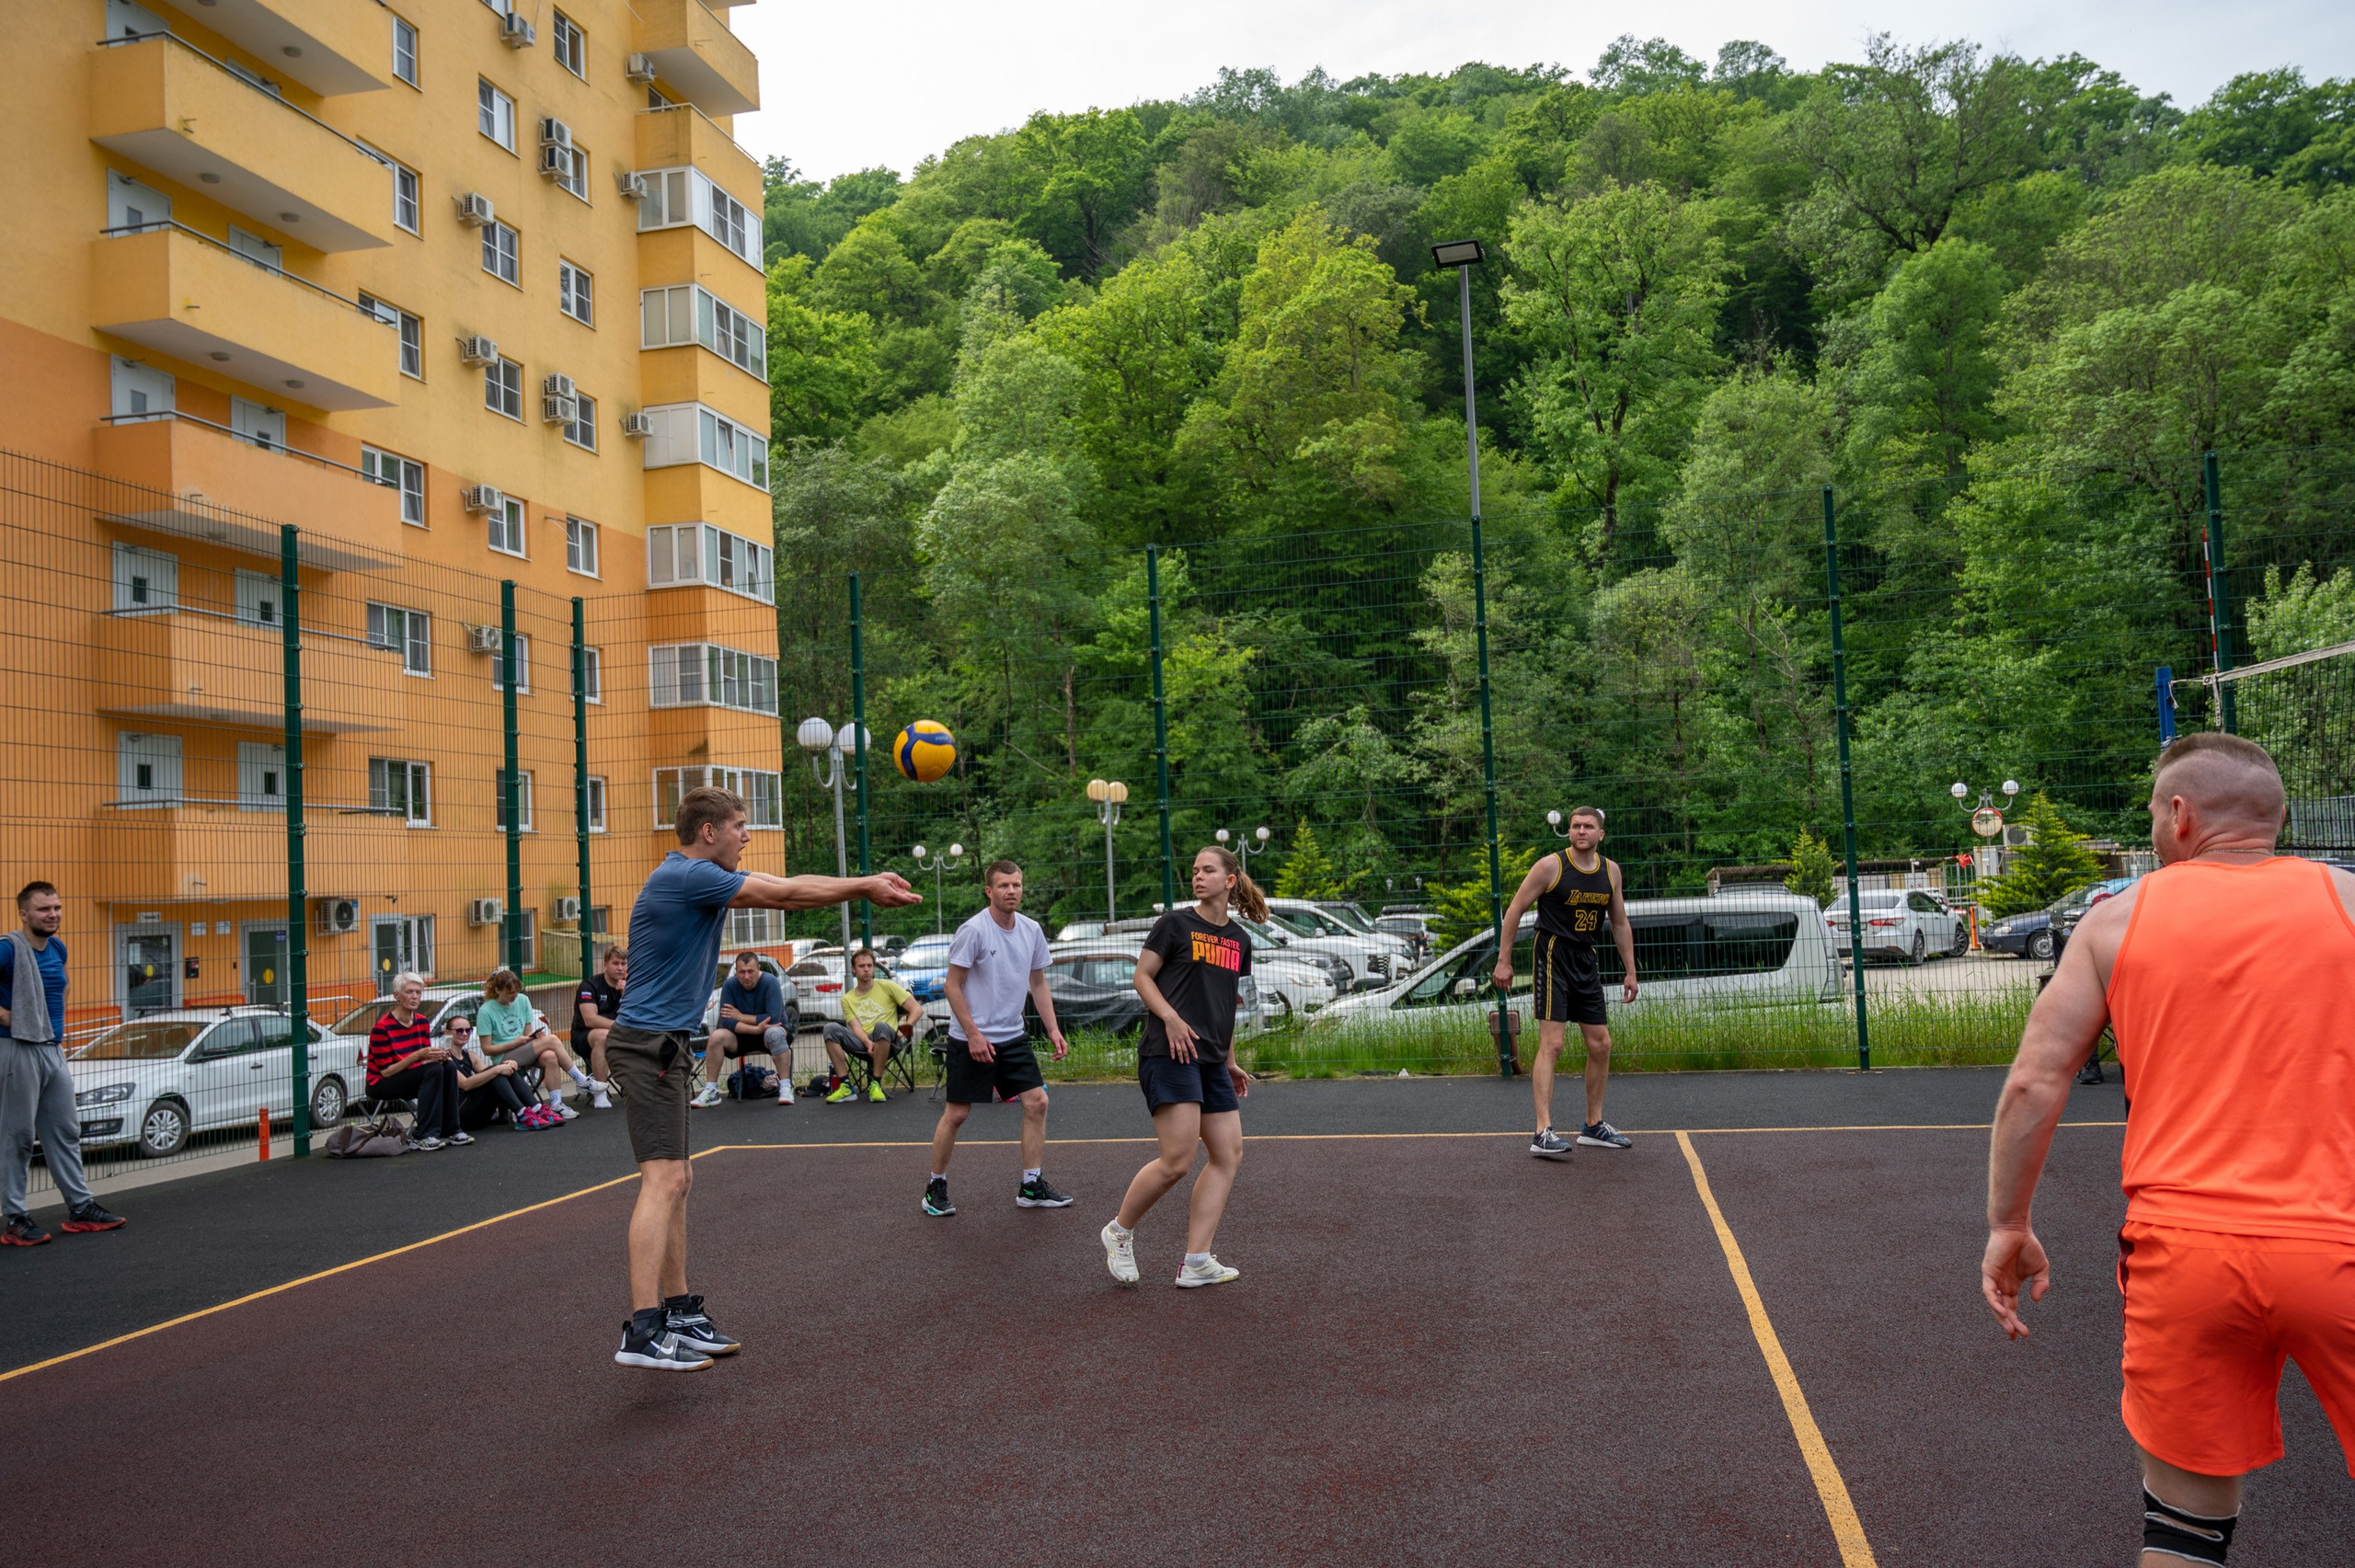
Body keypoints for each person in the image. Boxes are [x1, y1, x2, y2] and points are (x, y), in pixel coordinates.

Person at [1982, 733, 2355, 1567]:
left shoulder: (2117, 921)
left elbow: (2033, 1085)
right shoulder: (2348, 904)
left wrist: (2009, 1222)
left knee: (2183, 1535)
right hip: (2339, 1241)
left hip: (2184, 1256)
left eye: (2155, 812)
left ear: (2181, 816)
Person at [605, 784, 918, 1372]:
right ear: (709, 832)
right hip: (644, 1045)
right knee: (663, 1181)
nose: (746, 837)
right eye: (740, 827)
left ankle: (677, 1312)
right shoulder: (686, 877)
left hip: (664, 1045)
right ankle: (642, 1331)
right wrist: (867, 885)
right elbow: (788, 894)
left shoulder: (697, 878)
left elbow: (786, 882)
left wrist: (865, 881)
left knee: (678, 1180)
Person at [1102, 846, 1258, 1288]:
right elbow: (1142, 977)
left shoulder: (1239, 940)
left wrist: (1229, 1060)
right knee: (1177, 1160)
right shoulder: (1174, 924)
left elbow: (1226, 1004)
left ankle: (1196, 1261)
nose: (1198, 876)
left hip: (1210, 1061)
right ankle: (1118, 1232)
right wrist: (1170, 1018)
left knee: (1228, 1155)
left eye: (1208, 870)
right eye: (1194, 871)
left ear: (1230, 880)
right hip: (1168, 1053)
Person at [926, 860, 1071, 1219]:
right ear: (989, 891)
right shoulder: (974, 930)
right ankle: (935, 1186)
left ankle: (1031, 1185)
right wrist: (973, 1035)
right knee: (957, 1114)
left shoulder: (1031, 929)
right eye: (1004, 886)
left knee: (1037, 1102)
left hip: (1013, 1036)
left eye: (1017, 885)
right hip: (971, 1039)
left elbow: (1037, 983)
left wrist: (1052, 1029)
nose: (1012, 891)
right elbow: (952, 986)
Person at [1492, 806, 1638, 1157]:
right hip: (1552, 954)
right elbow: (1514, 910)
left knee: (1601, 1044)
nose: (1581, 830)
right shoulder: (1550, 866)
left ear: (1601, 834)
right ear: (1568, 832)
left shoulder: (1610, 872)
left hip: (1585, 959)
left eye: (1588, 826)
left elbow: (1619, 923)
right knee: (1553, 1044)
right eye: (1575, 826)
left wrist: (1630, 970)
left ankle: (1593, 1125)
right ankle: (1542, 1130)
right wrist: (1504, 960)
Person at [0, 881, 124, 1245]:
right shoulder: (9, 949)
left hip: (52, 1048)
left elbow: (61, 987)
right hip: (16, 1047)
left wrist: (52, 1021)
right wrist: (8, 1016)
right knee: (18, 1136)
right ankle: (16, 1218)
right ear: (24, 914)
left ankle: (81, 1208)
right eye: (43, 909)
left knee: (66, 1131)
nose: (52, 914)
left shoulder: (57, 947)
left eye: (56, 907)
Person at [478, 969, 597, 1121]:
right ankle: (581, 1080)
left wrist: (533, 1038)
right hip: (503, 1058)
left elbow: (527, 1034)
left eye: (517, 991)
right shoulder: (486, 1011)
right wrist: (516, 1042)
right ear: (497, 990)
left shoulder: (522, 1000)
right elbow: (487, 1049)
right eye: (510, 993)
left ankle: (556, 1105)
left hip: (523, 1050)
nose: (515, 995)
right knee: (553, 1039)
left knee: (550, 1056)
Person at [367, 971, 462, 1151]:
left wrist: (438, 1056)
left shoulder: (422, 1022)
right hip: (382, 1082)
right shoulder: (382, 1028)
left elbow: (424, 1060)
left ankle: (452, 1130)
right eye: (409, 992)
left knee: (447, 1066)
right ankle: (423, 1135)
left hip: (411, 1076)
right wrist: (419, 1056)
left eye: (418, 992)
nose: (415, 996)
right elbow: (386, 1071)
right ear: (396, 995)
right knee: (433, 1070)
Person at [822, 947, 921, 1104]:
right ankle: (846, 1087)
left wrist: (904, 1028)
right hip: (862, 1043)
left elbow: (917, 1009)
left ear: (874, 967)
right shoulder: (847, 999)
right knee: (830, 1028)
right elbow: (856, 1027)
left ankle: (876, 1084)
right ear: (854, 970)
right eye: (862, 966)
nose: (867, 969)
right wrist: (868, 1042)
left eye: (870, 965)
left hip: (889, 1040)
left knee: (881, 1026)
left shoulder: (887, 986)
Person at [696, 951, 795, 1107]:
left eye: (750, 971)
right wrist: (756, 1029)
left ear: (759, 968)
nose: (746, 976)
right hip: (742, 1036)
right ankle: (712, 1091)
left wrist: (741, 1016)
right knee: (716, 1036)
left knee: (774, 1032)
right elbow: (727, 1022)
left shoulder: (771, 982)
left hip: (771, 1035)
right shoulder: (729, 985)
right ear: (736, 971)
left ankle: (785, 1087)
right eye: (742, 972)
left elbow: (773, 1019)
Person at [445, 1016, 545, 1132]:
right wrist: (498, 1069)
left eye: (468, 1030)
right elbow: (465, 1084)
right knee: (496, 1071)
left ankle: (537, 1108)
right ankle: (522, 1113)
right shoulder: (445, 1057)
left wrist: (509, 1065)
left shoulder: (470, 1055)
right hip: (459, 1115)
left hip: (479, 1114)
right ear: (447, 1033)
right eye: (459, 1030)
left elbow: (493, 1076)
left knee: (500, 1072)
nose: (464, 1034)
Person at [571, 944, 626, 1106]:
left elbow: (639, 1014)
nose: (620, 968)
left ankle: (640, 1089)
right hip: (585, 1037)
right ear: (605, 965)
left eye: (623, 964)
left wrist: (626, 994)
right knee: (603, 1036)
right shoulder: (589, 986)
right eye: (615, 963)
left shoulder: (630, 986)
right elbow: (590, 1020)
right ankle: (600, 1093)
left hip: (619, 1034)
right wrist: (620, 1026)